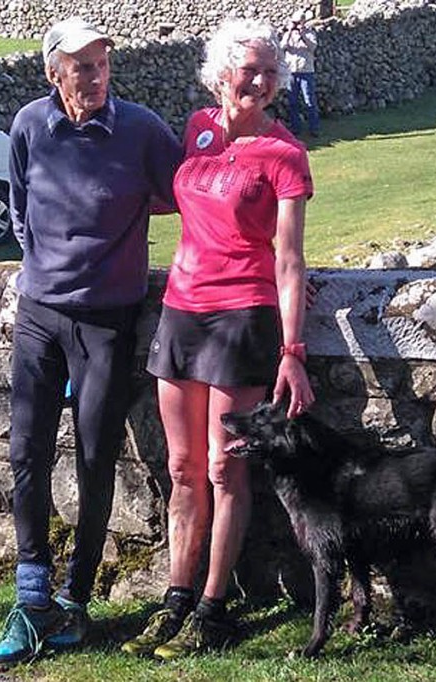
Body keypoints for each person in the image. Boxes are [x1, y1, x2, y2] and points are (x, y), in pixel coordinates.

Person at [0, 16, 182, 671]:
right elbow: (20, 208)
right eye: (80, 68)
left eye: (101, 65)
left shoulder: (141, 130)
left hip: (108, 320)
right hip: (41, 314)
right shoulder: (29, 127)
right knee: (25, 450)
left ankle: (74, 600)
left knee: (97, 455)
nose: (94, 77)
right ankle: (32, 595)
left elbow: (183, 190)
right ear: (53, 74)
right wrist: (50, 267)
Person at [121, 17, 315, 660]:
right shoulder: (198, 129)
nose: (259, 81)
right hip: (181, 310)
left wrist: (293, 351)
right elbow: (182, 202)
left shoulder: (285, 153)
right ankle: (175, 599)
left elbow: (289, 259)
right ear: (221, 73)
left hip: (242, 319)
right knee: (182, 469)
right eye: (248, 69)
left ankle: (213, 607)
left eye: (270, 72)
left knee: (226, 468)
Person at [280, 9, 320, 138]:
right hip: (291, 71)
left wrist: (302, 34)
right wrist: (290, 31)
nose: (296, 25)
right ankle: (295, 128)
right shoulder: (288, 34)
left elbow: (313, 47)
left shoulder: (310, 33)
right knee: (292, 101)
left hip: (306, 71)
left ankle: (314, 128)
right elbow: (282, 47)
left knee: (309, 101)